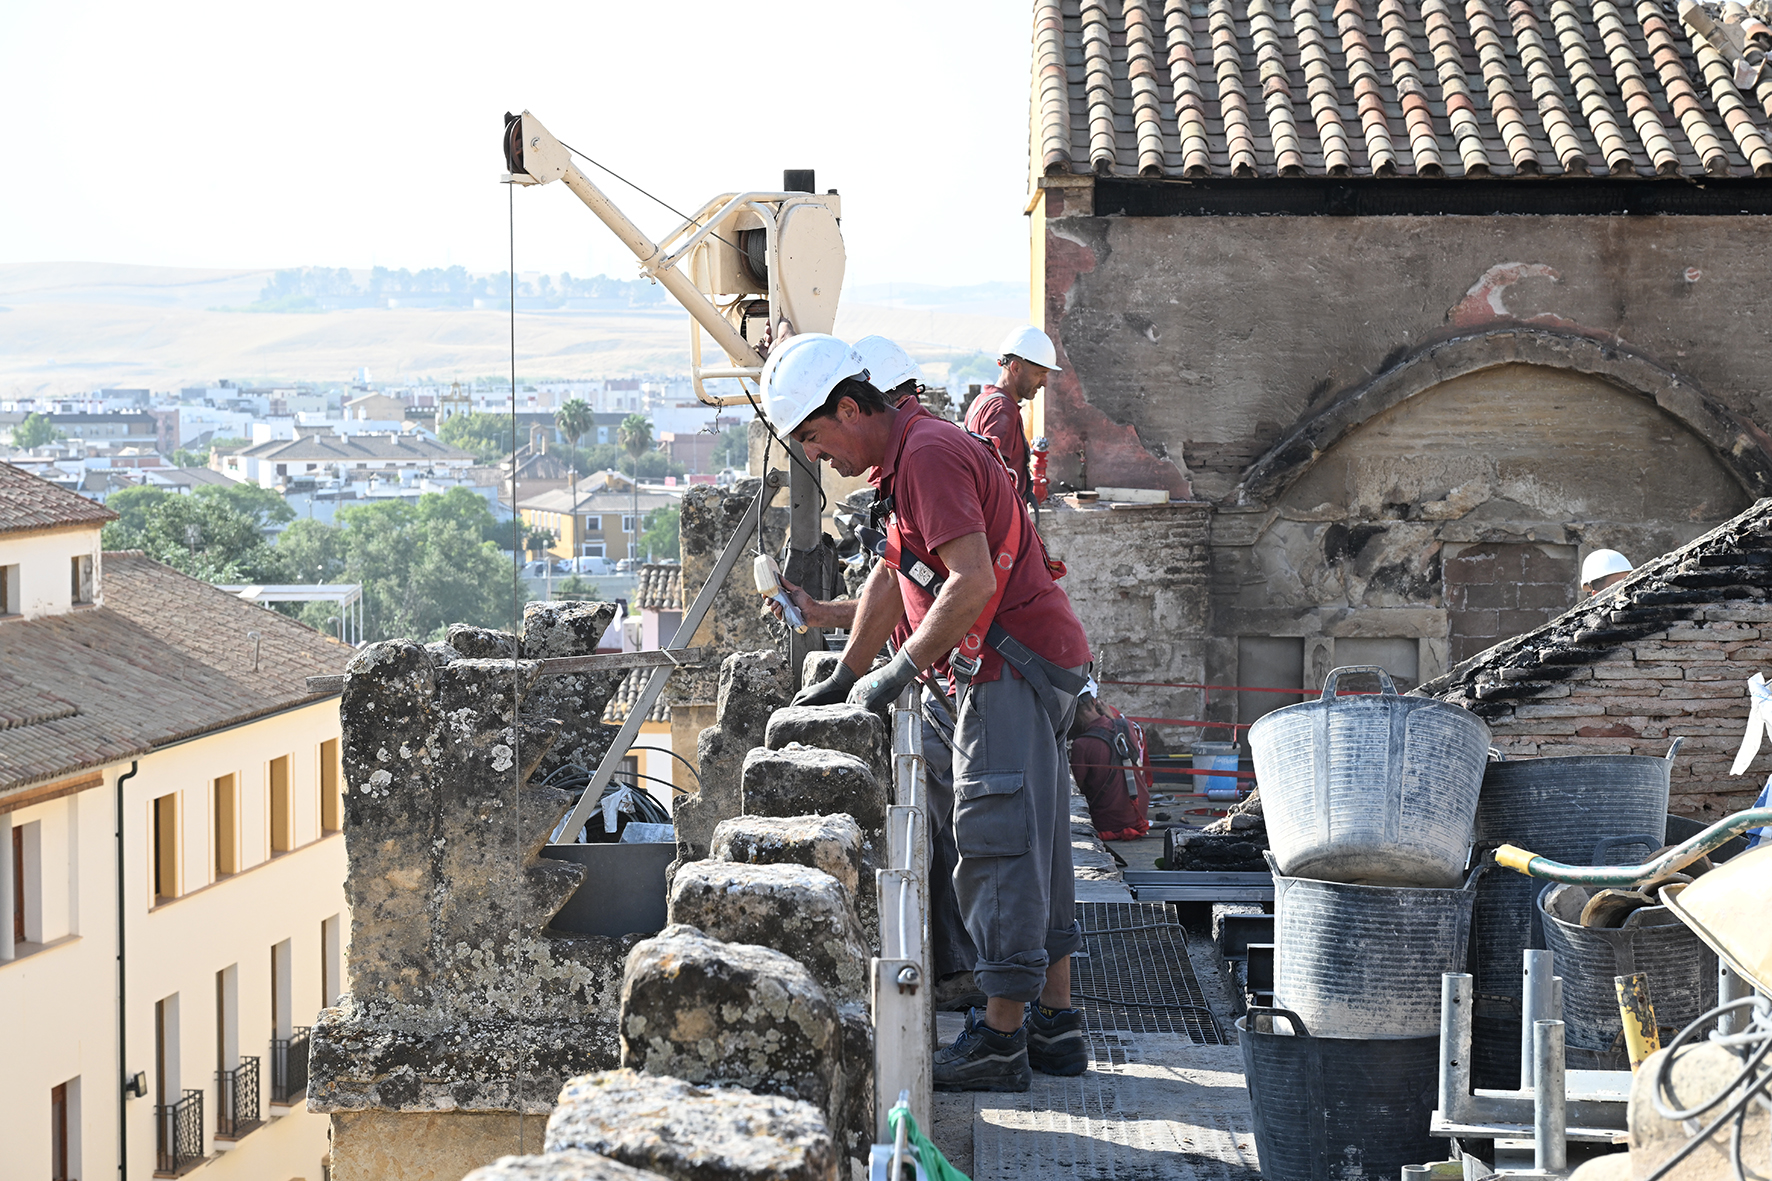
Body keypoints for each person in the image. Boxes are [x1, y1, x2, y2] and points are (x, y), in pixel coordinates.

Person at [759, 332, 1094, 1092]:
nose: (817, 456)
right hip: (1029, 659)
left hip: (1007, 665)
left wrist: (901, 669)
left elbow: (971, 581)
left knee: (997, 839)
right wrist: (849, 672)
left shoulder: (930, 456)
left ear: (850, 409)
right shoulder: (910, 454)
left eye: (813, 437)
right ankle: (1054, 1022)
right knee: (1038, 837)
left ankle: (1000, 1039)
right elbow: (895, 572)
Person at [965, 325, 1060, 500]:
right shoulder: (1002, 410)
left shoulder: (983, 400)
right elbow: (991, 480)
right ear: (1015, 368)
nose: (1044, 382)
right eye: (1040, 374)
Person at [1068, 684, 1153, 842]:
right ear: (1095, 702)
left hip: (1108, 824)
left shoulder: (1082, 744)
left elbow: (1077, 790)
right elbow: (1114, 740)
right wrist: (1110, 718)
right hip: (1139, 816)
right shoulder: (1127, 725)